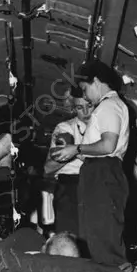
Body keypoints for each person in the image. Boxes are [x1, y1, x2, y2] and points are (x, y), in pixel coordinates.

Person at [50, 62, 130, 269]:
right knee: (95, 234)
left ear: (95, 81)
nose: (86, 96)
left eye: (85, 89)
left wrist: (76, 149)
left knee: (102, 235)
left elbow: (107, 145)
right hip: (97, 172)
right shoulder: (109, 106)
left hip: (102, 172)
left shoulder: (108, 106)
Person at [44, 90, 93, 235]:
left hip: (96, 182)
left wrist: (76, 150)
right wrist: (72, 152)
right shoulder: (65, 128)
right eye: (79, 107)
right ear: (73, 108)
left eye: (89, 105)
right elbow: (48, 168)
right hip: (71, 185)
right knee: (70, 234)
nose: (85, 112)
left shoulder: (107, 131)